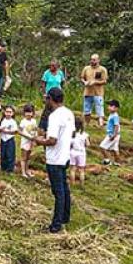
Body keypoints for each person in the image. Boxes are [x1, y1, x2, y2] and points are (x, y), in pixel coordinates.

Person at [33, 87, 75, 233]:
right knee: (64, 188)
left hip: (55, 159)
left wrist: (39, 141)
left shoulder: (54, 116)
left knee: (58, 192)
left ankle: (56, 224)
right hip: (65, 156)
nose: (46, 101)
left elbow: (52, 140)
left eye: (47, 98)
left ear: (51, 99)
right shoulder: (69, 113)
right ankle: (65, 217)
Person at [80, 54, 109, 128]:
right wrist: (84, 82)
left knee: (99, 110)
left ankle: (101, 125)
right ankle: (87, 124)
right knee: (86, 110)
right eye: (91, 59)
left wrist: (95, 82)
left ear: (98, 60)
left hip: (98, 93)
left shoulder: (102, 69)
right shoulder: (86, 68)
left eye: (94, 60)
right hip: (87, 92)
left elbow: (105, 81)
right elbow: (82, 78)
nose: (92, 61)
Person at [18, 104, 38, 178]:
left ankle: (27, 170)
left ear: (33, 113)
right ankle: (23, 172)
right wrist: (27, 136)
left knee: (28, 157)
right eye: (27, 112)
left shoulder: (34, 121)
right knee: (24, 157)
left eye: (30, 112)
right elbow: (19, 131)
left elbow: (35, 130)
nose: (28, 114)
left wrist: (35, 139)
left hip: (31, 141)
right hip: (25, 141)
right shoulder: (23, 121)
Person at [0, 105, 18, 173]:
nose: (8, 113)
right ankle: (3, 167)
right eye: (7, 112)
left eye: (10, 112)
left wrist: (6, 131)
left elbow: (15, 132)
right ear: (4, 112)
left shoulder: (13, 122)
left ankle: (10, 169)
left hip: (10, 140)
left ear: (13, 113)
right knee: (3, 154)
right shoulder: (2, 120)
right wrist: (0, 130)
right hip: (3, 139)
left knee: (10, 154)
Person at [100, 99, 121, 165]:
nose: (109, 107)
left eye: (111, 106)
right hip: (116, 135)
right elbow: (112, 123)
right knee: (115, 149)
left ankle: (107, 160)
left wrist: (113, 135)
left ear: (116, 108)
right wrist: (105, 123)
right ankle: (117, 162)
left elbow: (116, 126)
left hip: (112, 135)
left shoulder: (115, 116)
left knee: (102, 146)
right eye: (109, 105)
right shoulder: (112, 115)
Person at [68, 120, 89, 186]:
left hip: (73, 152)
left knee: (72, 169)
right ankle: (82, 184)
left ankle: (72, 183)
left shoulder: (72, 134)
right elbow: (88, 144)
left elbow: (69, 144)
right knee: (81, 170)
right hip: (81, 153)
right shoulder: (85, 134)